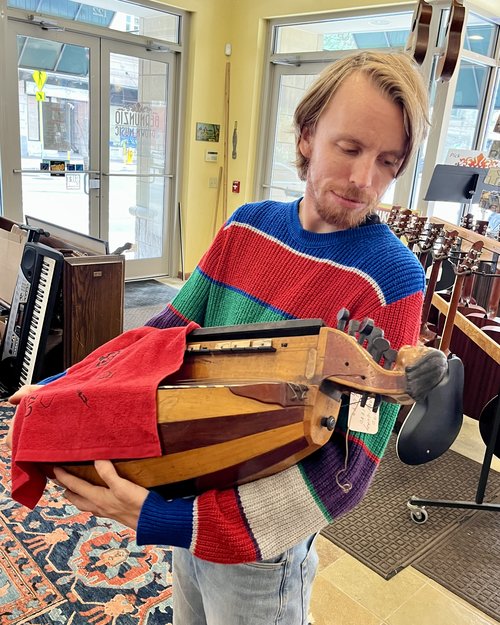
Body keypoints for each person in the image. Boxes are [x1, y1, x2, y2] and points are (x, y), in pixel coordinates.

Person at [8, 51, 432, 624]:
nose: (364, 180)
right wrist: (61, 386)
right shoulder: (246, 227)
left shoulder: (393, 278)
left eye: (387, 161)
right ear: (307, 136)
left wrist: (177, 521)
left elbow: (347, 468)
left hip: (262, 555)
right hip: (188, 489)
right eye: (349, 148)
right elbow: (159, 339)